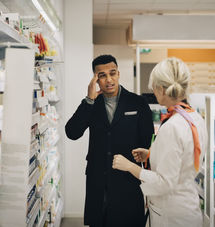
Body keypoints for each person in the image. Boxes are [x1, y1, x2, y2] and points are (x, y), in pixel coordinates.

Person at [112, 57, 207, 227]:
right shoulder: (195, 118)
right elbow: (183, 158)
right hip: (188, 206)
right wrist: (151, 154)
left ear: (162, 89)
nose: (153, 93)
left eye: (154, 88)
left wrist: (129, 166)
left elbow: (165, 183)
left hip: (171, 215)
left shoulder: (172, 126)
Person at [65, 55, 154, 227]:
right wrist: (88, 100)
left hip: (128, 180)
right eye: (102, 75)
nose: (109, 79)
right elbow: (72, 132)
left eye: (112, 73)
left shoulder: (138, 102)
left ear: (118, 73)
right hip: (98, 181)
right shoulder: (92, 104)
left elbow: (148, 140)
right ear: (95, 80)